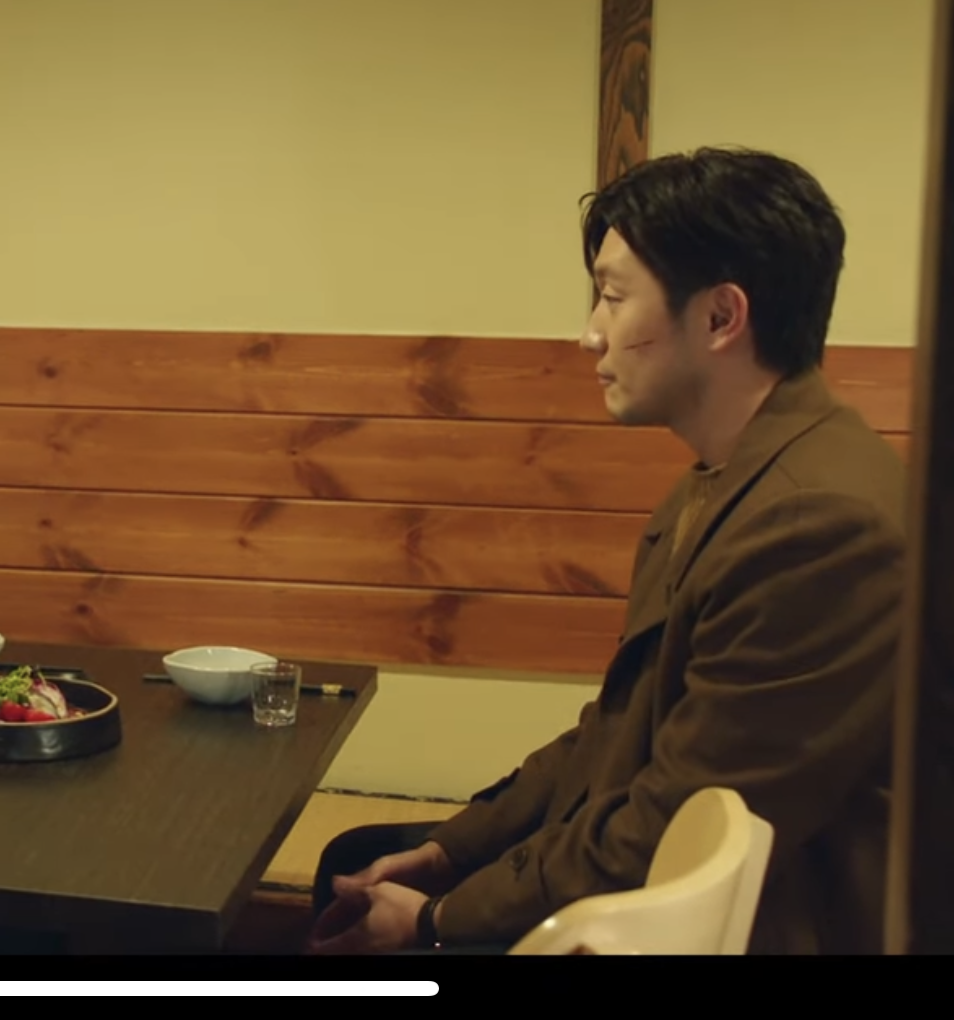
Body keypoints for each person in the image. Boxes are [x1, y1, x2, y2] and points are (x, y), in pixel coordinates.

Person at [308, 147, 908, 956]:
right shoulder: (727, 477)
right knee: (357, 860)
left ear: (721, 318)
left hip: (760, 919)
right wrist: (453, 849)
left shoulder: (817, 526)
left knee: (366, 906)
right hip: (656, 850)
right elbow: (617, 729)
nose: (590, 333)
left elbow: (671, 826)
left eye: (614, 297)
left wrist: (436, 919)